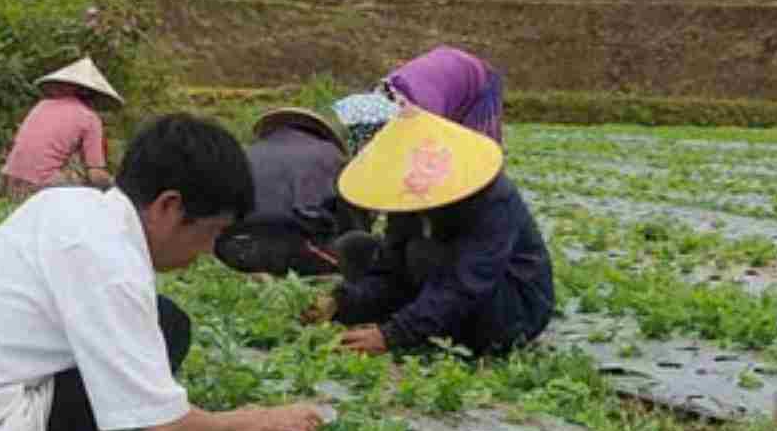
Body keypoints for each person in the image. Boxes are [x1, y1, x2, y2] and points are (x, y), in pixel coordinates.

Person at [0, 114, 328, 431]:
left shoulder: (66, 206)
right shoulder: (110, 263)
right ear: (169, 207)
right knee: (166, 330)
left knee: (160, 320)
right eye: (209, 233)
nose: (208, 251)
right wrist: (262, 422)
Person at [301, 106, 553, 358]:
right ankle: (418, 322)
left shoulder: (491, 198)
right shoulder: (407, 198)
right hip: (442, 288)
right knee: (357, 247)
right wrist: (343, 301)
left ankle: (422, 326)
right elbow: (392, 270)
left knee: (424, 254)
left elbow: (466, 282)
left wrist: (392, 335)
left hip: (509, 309)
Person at [213, 107, 370, 277]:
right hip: (300, 249)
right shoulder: (330, 155)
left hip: (232, 250)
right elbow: (353, 213)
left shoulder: (245, 154)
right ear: (319, 133)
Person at [334, 45, 504, 155]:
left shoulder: (424, 115)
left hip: (474, 78)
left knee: (474, 159)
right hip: (442, 71)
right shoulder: (380, 98)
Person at [0, 57, 123, 204]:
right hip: (39, 189)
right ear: (92, 95)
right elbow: (95, 174)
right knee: (82, 166)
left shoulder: (42, 105)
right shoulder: (90, 118)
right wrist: (117, 189)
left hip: (7, 182)